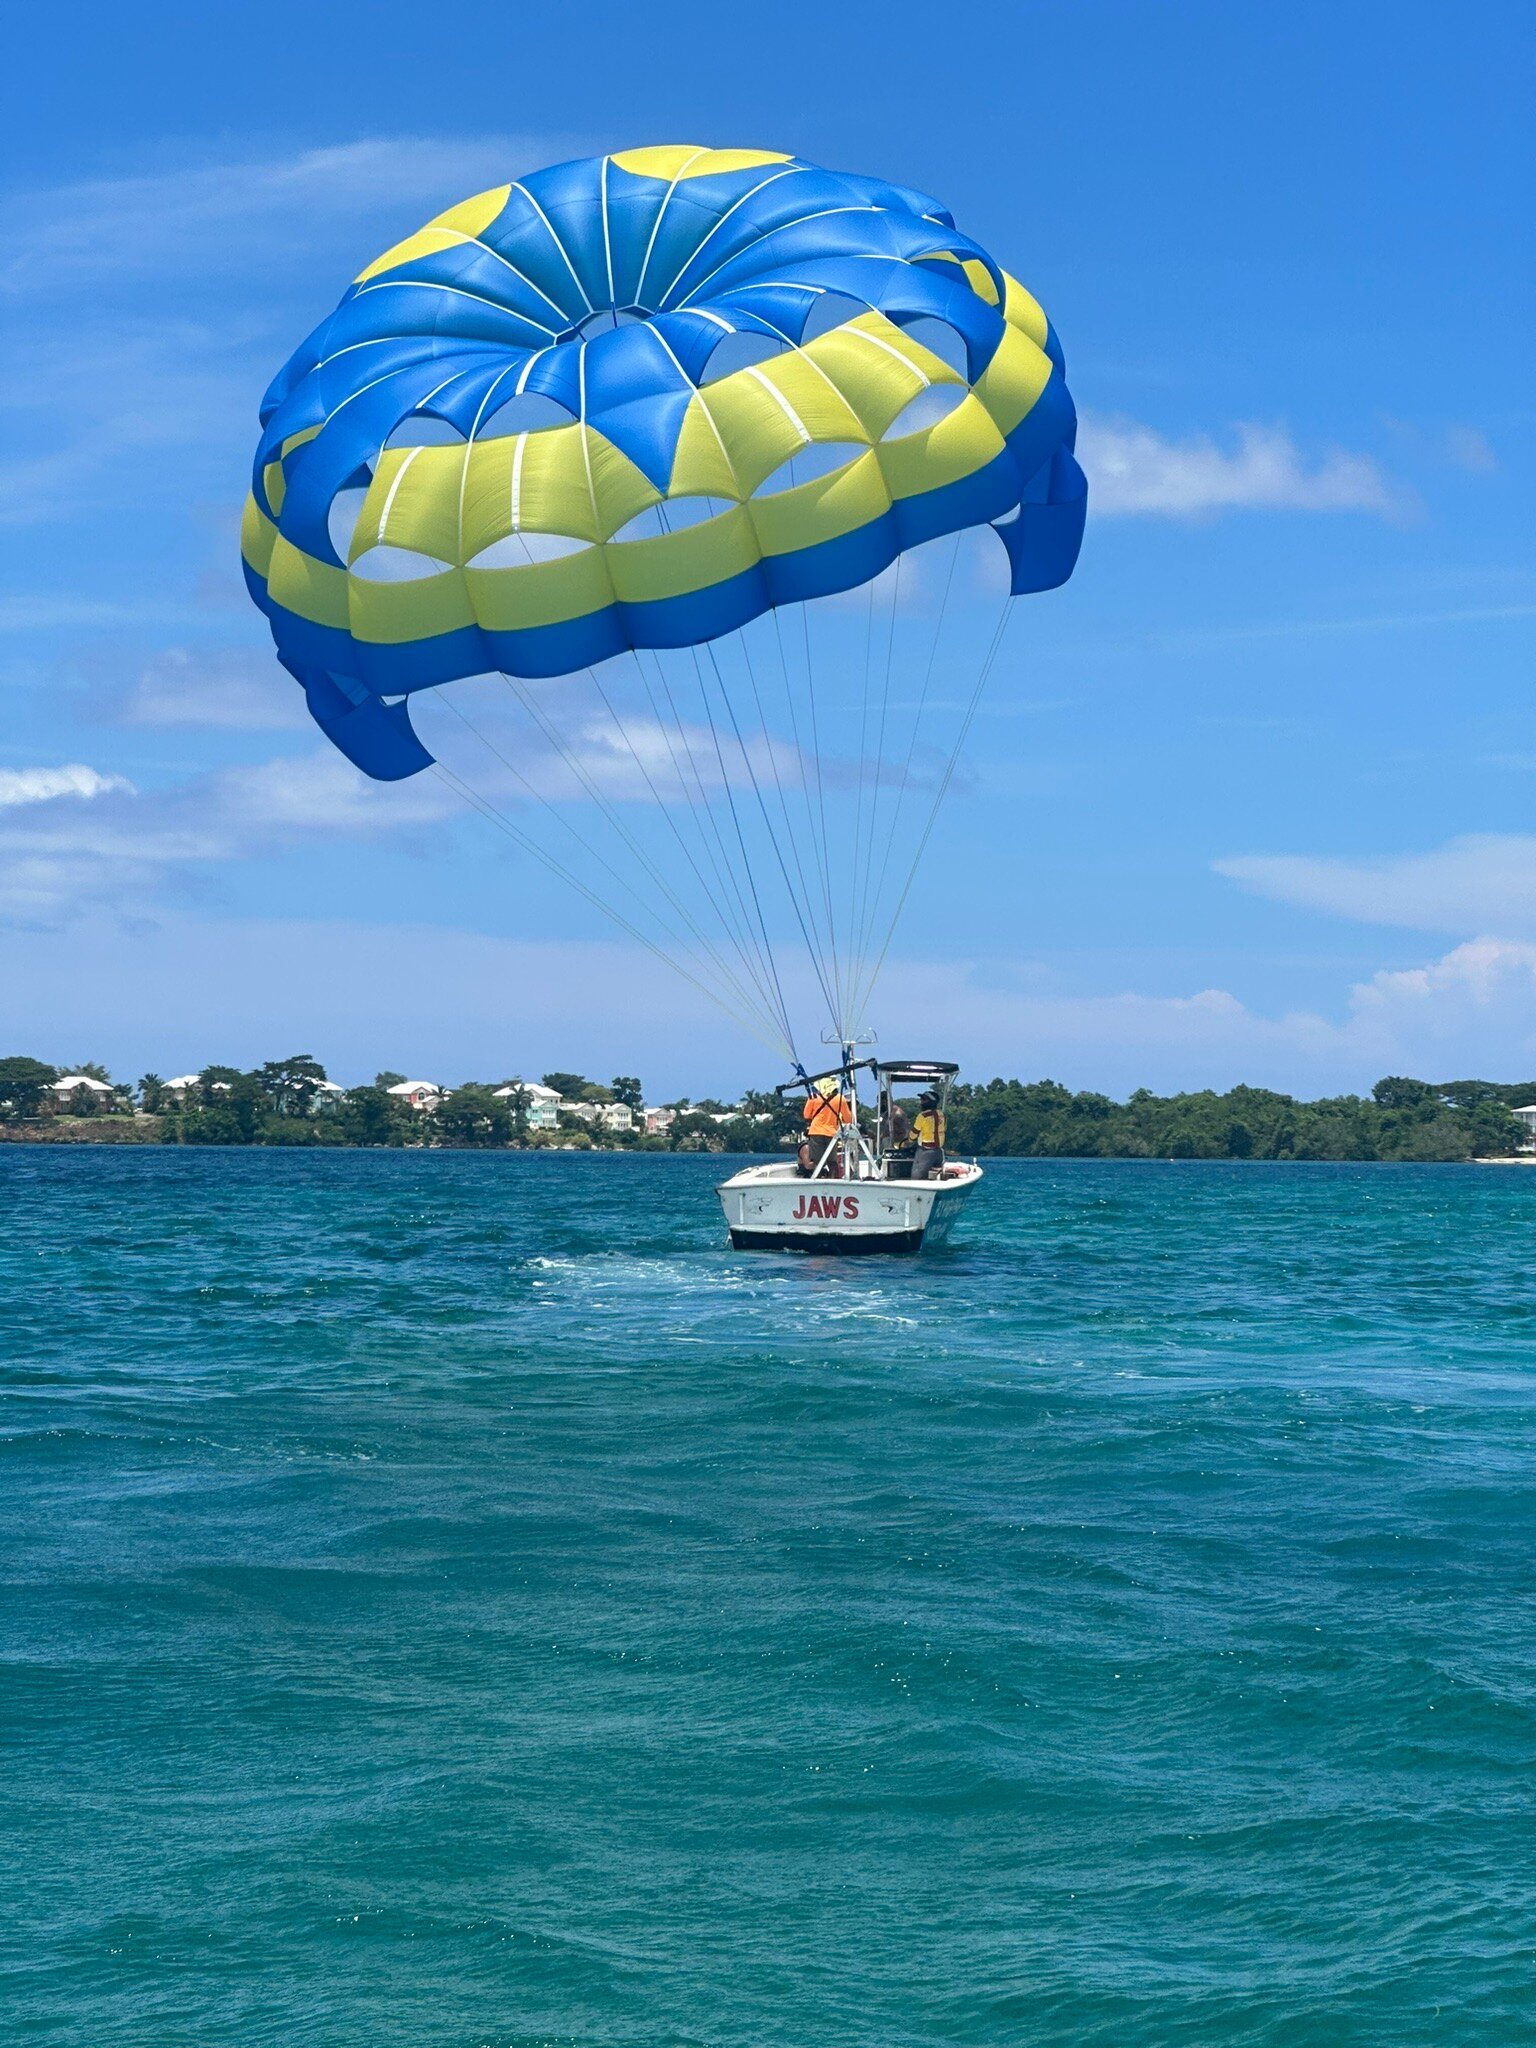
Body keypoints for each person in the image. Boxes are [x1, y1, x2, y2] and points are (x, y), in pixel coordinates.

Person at [800, 1075, 851, 1176]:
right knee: (832, 1161)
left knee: (817, 1161)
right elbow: (848, 1119)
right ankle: (834, 1181)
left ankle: (816, 1179)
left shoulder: (813, 1097)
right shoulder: (840, 1098)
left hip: (816, 1132)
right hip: (832, 1133)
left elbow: (806, 1115)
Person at [911, 1089, 946, 1181]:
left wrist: (910, 1140)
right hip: (939, 1152)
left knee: (917, 1178)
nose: (921, 1102)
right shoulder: (942, 1114)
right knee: (934, 1177)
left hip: (926, 1151)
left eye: (923, 1100)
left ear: (930, 1102)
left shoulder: (923, 1116)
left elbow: (914, 1133)